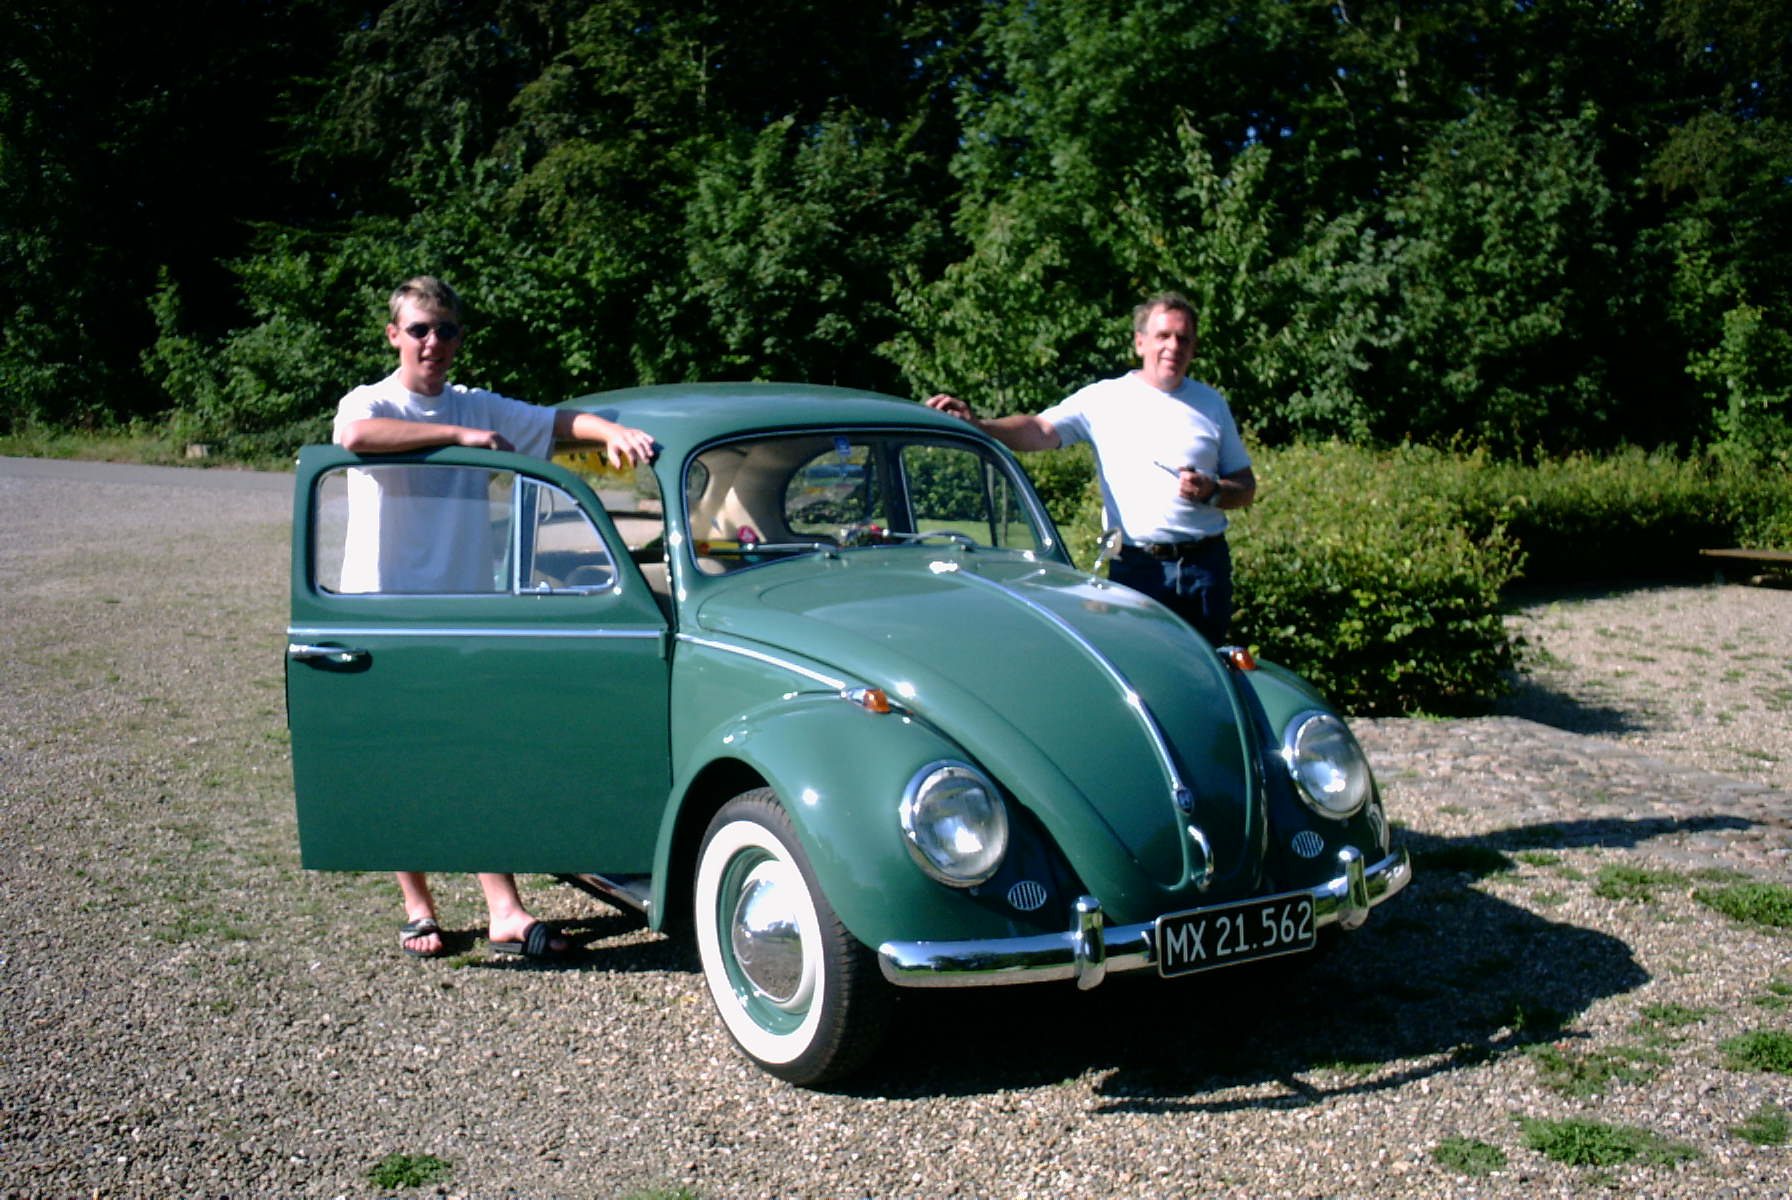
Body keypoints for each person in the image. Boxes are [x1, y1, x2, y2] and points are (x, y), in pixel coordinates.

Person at [334, 275, 656, 960]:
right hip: (384, 610)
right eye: (419, 330)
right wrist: (461, 438)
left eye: (446, 330)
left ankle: (504, 910)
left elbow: (558, 422)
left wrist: (612, 432)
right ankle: (418, 909)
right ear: (394, 335)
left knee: (474, 754)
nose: (433, 342)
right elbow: (355, 435)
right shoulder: (372, 400)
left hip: (464, 609)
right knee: (402, 758)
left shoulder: (477, 402)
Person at [926, 291, 1256, 643]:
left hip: (1206, 567)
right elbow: (1039, 430)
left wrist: (1213, 491)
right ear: (1140, 342)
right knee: (1138, 664)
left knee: (1208, 665)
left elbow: (1245, 487)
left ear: (1193, 347)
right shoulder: (1104, 399)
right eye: (1163, 336)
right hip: (1138, 569)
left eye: (1183, 338)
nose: (1173, 346)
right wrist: (980, 425)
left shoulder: (1211, 403)